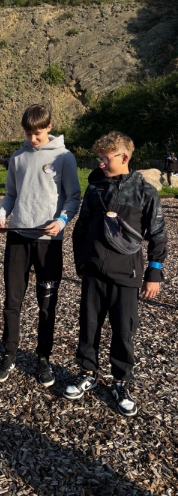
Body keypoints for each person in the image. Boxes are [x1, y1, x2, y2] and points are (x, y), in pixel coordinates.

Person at [64, 131, 167, 416]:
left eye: (105, 158)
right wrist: (81, 262)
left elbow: (158, 234)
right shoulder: (96, 188)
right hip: (94, 271)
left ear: (124, 157)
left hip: (127, 273)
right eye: (99, 158)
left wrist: (154, 272)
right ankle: (87, 372)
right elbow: (82, 227)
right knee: (88, 325)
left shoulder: (145, 191)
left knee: (124, 329)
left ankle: (121, 381)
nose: (100, 163)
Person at [0, 104, 81, 386]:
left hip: (48, 241)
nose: (33, 139)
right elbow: (10, 194)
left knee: (47, 305)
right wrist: (0, 214)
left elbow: (73, 197)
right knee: (12, 302)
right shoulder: (17, 157)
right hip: (18, 237)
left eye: (38, 134)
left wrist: (62, 221)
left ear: (49, 128)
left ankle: (43, 358)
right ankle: (9, 354)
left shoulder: (64, 157)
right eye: (28, 134)